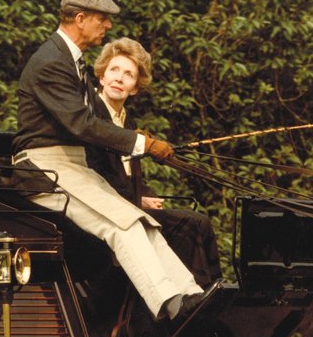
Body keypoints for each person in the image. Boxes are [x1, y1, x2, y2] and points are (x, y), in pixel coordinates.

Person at [11, 0, 219, 324]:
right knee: (120, 226)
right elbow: (81, 124)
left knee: (142, 221)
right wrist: (144, 145)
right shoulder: (50, 61)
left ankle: (192, 295)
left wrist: (139, 138)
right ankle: (170, 306)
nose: (107, 26)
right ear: (80, 18)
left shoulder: (70, 60)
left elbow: (95, 121)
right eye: (101, 19)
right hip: (45, 169)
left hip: (71, 166)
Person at [86, 37, 222, 288]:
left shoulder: (123, 118)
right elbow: (98, 172)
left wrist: (144, 195)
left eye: (128, 74)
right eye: (114, 70)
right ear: (102, 77)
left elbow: (125, 171)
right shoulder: (92, 114)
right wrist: (135, 198)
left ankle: (212, 291)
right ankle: (198, 298)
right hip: (106, 209)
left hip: (126, 201)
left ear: (135, 87)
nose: (119, 78)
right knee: (191, 225)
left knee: (198, 222)